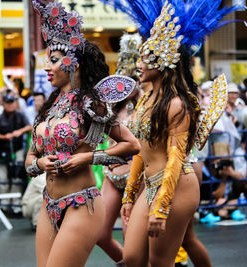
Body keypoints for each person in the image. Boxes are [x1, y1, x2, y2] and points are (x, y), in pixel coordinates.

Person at [105, 0, 243, 265]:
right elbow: (139, 151)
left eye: (147, 59)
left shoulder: (177, 104)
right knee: (132, 258)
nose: (140, 65)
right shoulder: (145, 101)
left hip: (177, 185)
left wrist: (161, 207)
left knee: (160, 262)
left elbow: (176, 158)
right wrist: (130, 194)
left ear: (165, 62)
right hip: (150, 183)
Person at [26, 1, 140, 266]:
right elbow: (30, 158)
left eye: (53, 61)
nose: (47, 67)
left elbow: (131, 145)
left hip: (83, 204)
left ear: (74, 64)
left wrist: (86, 158)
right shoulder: (48, 107)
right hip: (48, 205)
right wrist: (39, 163)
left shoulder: (91, 104)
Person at [96, 32, 143, 266]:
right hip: (111, 174)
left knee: (130, 237)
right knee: (99, 233)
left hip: (138, 176)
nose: (127, 85)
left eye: (133, 79)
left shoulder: (148, 106)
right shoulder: (112, 108)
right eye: (123, 80)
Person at [0, 93, 32, 213]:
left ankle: (16, 204)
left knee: (17, 177)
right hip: (2, 151)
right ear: (3, 104)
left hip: (17, 150)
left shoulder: (20, 116)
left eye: (12, 102)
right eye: (8, 103)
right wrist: (5, 137)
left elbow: (29, 127)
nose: (10, 105)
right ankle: (4, 204)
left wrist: (19, 132)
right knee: (3, 178)